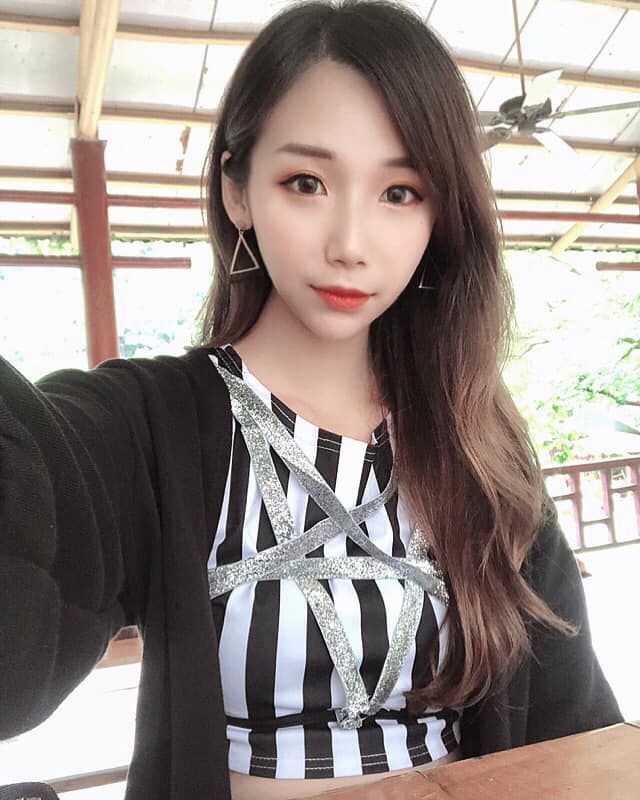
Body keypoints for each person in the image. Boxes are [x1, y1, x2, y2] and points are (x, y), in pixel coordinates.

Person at [0, 1, 623, 799]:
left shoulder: (479, 441)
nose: (350, 244)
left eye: (401, 191)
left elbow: (575, 724)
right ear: (237, 191)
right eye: (307, 183)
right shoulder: (147, 425)